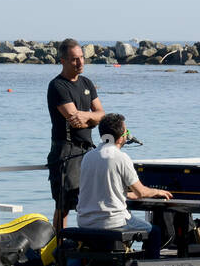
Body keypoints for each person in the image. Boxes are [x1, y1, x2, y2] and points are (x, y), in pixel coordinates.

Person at [75, 113, 172, 254]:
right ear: (121, 137)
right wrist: (157, 192)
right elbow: (141, 192)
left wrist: (126, 195)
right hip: (111, 222)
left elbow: (106, 191)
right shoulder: (121, 157)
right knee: (154, 232)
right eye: (126, 131)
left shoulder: (88, 157)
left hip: (84, 221)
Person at [47, 38, 104, 228]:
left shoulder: (87, 83)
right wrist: (91, 117)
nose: (80, 63)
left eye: (81, 58)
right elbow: (74, 120)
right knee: (63, 204)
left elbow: (102, 115)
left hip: (87, 150)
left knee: (90, 200)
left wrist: (86, 116)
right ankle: (58, 249)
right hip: (66, 151)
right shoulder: (57, 86)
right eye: (74, 59)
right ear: (62, 61)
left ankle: (85, 244)